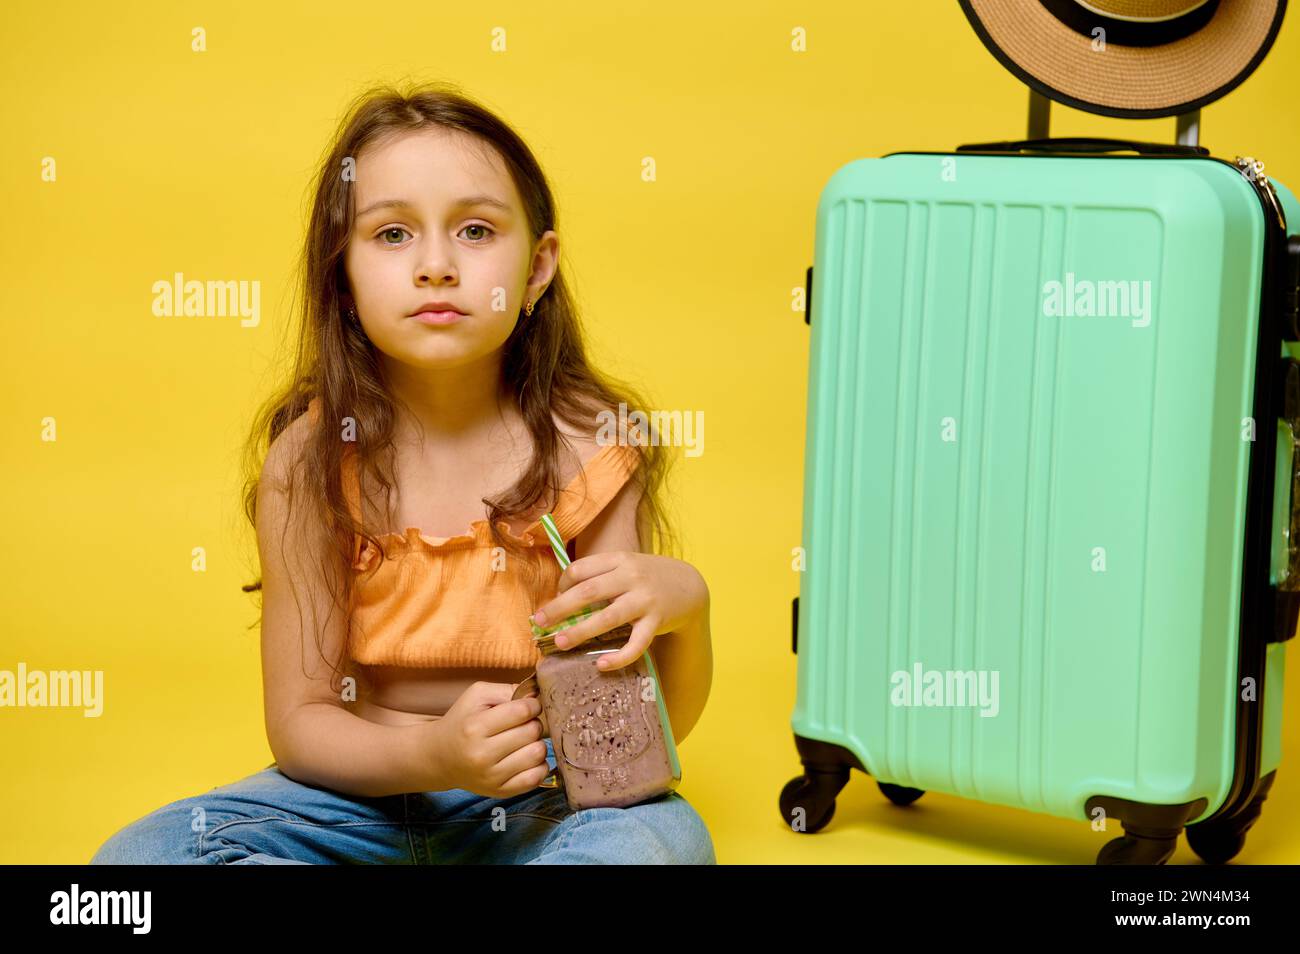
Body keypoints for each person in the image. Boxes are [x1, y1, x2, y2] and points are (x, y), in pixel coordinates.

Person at [90, 81, 715, 865]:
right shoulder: (308, 464)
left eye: (477, 229)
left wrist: (689, 607)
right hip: (355, 803)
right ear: (342, 279)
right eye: (391, 235)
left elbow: (645, 732)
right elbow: (301, 723)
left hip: (545, 800)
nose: (436, 266)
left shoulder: (589, 447)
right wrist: (434, 759)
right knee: (141, 857)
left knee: (656, 838)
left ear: (537, 268)